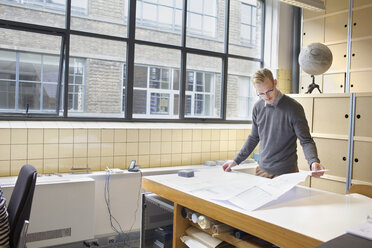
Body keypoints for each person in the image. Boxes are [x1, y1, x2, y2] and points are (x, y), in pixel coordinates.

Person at [222, 68, 325, 178]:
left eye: (269, 91)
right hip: (262, 170)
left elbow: (306, 140)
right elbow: (253, 137)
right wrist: (236, 161)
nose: (266, 97)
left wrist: (313, 161)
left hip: (287, 173)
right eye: (261, 93)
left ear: (275, 83)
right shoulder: (257, 107)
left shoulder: (294, 108)